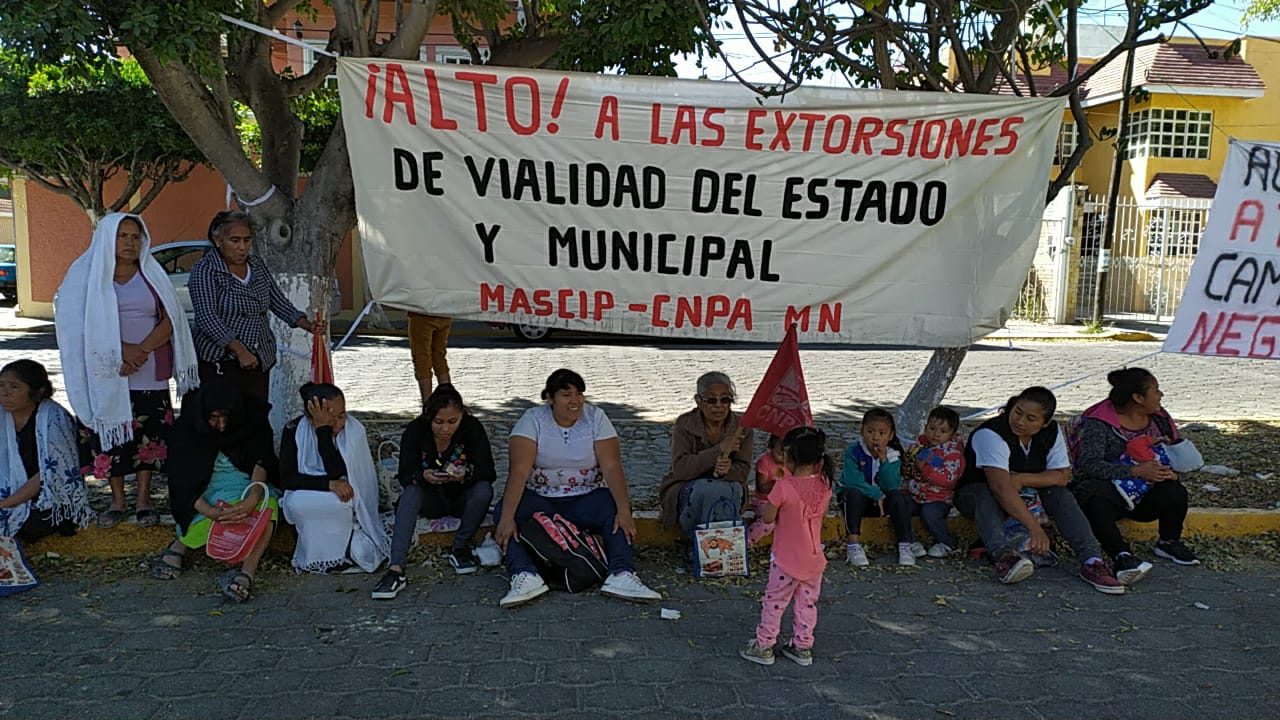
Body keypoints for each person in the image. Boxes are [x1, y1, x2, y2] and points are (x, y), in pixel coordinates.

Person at [55, 213, 199, 529]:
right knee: (111, 436)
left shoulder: (152, 274)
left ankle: (144, 500)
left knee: (147, 438)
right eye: (123, 236)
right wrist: (123, 350)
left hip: (148, 370)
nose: (130, 243)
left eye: (135, 236)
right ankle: (117, 501)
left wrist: (143, 350)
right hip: (106, 371)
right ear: (107, 238)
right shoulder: (87, 275)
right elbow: (75, 323)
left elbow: (170, 318)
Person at [492, 369, 661, 607]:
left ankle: (621, 573)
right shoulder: (532, 420)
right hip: (543, 499)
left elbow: (612, 466)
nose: (575, 401)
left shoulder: (596, 417)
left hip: (585, 497)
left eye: (579, 394)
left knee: (613, 508)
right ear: (549, 399)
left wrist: (625, 509)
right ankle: (525, 575)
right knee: (505, 512)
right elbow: (519, 471)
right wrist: (508, 517)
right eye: (566, 395)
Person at [956, 386, 1124, 594]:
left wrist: (1023, 478)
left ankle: (1092, 560)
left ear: (1044, 423)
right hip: (978, 494)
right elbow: (1001, 487)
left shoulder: (1052, 432)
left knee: (1060, 494)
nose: (1020, 421)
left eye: (1030, 419)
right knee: (985, 494)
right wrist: (1035, 528)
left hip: (1028, 492)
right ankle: (1004, 558)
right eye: (1017, 412)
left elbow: (1062, 476)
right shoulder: (990, 434)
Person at [154, 380, 279, 603]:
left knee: (267, 508)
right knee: (207, 509)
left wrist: (252, 497)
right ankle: (180, 546)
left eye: (226, 418)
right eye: (213, 419)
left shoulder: (253, 418)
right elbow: (182, 478)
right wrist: (209, 510)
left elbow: (263, 460)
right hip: (204, 484)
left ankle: (246, 573)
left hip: (246, 482)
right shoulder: (187, 428)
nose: (221, 426)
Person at [1069, 368, 1198, 584]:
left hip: (1146, 496)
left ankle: (1168, 542)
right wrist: (1134, 471)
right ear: (1138, 398)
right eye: (1155, 390)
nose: (1161, 395)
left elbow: (1175, 454)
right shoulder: (1100, 424)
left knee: (1175, 491)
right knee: (1094, 495)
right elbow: (1089, 465)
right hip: (1110, 496)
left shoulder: (1159, 419)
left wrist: (1172, 474)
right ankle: (1121, 556)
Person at [188, 210, 325, 405]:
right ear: (218, 239)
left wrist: (306, 324)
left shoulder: (257, 266)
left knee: (256, 416)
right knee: (224, 416)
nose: (242, 247)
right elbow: (207, 318)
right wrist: (240, 350)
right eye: (235, 240)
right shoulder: (205, 270)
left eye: (246, 240)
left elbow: (277, 300)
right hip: (221, 360)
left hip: (259, 356)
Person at [372, 384, 495, 600]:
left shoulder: (472, 428)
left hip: (461, 496)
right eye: (438, 422)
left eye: (452, 422)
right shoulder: (415, 430)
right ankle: (396, 569)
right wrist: (423, 476)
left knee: (484, 490)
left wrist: (466, 473)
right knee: (410, 493)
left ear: (461, 417)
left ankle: (460, 548)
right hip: (429, 498)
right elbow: (405, 474)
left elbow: (488, 471)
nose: (445, 429)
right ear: (429, 418)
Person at [739, 427, 835, 667]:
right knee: (807, 602)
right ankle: (802, 646)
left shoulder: (784, 486)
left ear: (789, 458)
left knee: (774, 601)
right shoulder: (825, 485)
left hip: (786, 559)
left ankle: (764, 644)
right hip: (814, 559)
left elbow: (768, 517)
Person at [279, 383, 389, 574]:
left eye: (341, 416)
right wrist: (327, 484)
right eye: (330, 420)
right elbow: (288, 479)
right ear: (310, 418)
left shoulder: (354, 432)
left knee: (340, 502)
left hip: (346, 491)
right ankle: (314, 557)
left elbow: (336, 471)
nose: (338, 424)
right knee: (298, 502)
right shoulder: (293, 430)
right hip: (310, 489)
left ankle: (343, 552)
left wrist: (324, 433)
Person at [0, 361, 93, 542]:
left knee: (26, 526)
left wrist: (7, 503)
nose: (5, 393)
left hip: (46, 497)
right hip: (8, 489)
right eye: (1, 385)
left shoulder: (54, 419)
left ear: (37, 391)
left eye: (14, 387)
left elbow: (51, 472)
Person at [657, 372, 754, 543]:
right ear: (698, 401)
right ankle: (699, 545)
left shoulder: (742, 428)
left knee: (725, 490)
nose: (718, 406)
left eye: (725, 400)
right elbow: (680, 468)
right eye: (711, 400)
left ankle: (723, 550)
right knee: (707, 490)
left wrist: (728, 470)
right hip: (687, 488)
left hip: (729, 489)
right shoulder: (685, 424)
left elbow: (743, 470)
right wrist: (718, 450)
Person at [838, 408, 917, 567]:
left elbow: (892, 484)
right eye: (870, 431)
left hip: (882, 503)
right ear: (862, 431)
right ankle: (853, 546)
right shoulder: (854, 451)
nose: (875, 437)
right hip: (861, 500)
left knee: (898, 497)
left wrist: (884, 461)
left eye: (881, 433)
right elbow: (853, 480)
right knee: (851, 494)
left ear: (890, 435)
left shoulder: (893, 454)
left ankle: (905, 545)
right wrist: (876, 495)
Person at [902, 406, 966, 558]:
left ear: (952, 434)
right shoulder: (918, 447)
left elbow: (947, 479)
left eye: (943, 432)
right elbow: (908, 470)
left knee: (930, 514)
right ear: (925, 427)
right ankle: (910, 541)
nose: (936, 434)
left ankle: (945, 542)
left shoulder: (953, 455)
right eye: (932, 428)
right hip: (916, 493)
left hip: (938, 497)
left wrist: (924, 469)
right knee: (900, 507)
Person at [747, 434, 785, 546]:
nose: (783, 458)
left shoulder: (790, 463)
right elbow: (761, 487)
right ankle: (748, 539)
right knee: (768, 522)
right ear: (771, 448)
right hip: (765, 501)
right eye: (779, 453)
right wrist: (777, 485)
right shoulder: (764, 462)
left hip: (782, 501)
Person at [407, 312, 453, 404]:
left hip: (421, 311)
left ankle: (427, 405)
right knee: (439, 357)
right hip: (444, 312)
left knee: (421, 359)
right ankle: (448, 402)